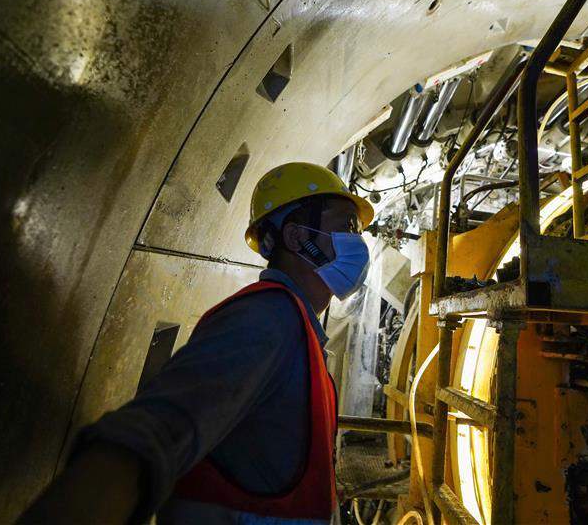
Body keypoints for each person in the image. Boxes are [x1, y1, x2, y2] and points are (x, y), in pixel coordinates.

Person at [20, 162, 374, 524]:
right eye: (347, 226)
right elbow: (153, 433)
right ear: (298, 238)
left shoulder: (297, 327)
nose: (358, 241)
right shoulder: (266, 319)